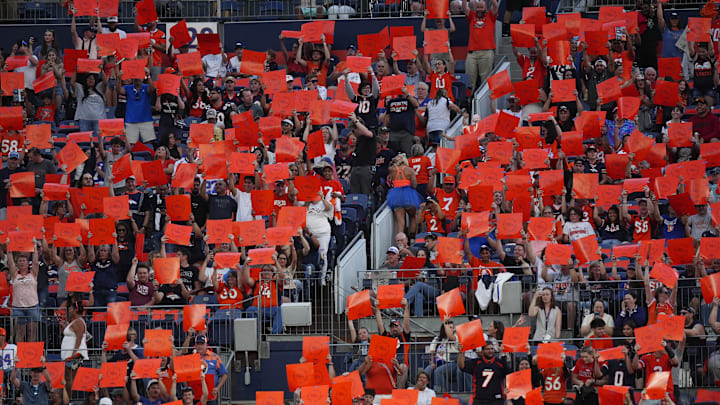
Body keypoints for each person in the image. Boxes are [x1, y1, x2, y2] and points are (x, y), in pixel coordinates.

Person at [462, 0, 499, 93]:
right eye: (477, 7)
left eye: (481, 7)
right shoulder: (472, 16)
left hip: (486, 52)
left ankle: (486, 104)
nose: (479, 10)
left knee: (485, 80)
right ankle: (468, 103)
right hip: (472, 53)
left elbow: (495, 5)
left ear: (485, 8)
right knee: (469, 80)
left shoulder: (490, 16)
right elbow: (464, 7)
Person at [425, 320, 470, 393]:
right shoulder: (437, 339)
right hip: (438, 362)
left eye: (452, 328)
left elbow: (450, 336)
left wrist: (445, 323)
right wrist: (432, 362)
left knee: (438, 371)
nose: (452, 329)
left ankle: (440, 392)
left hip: (452, 362)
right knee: (426, 371)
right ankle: (426, 392)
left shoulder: (456, 337)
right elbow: (432, 352)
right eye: (450, 328)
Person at [375, 298, 411, 389]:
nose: (394, 329)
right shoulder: (386, 335)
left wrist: (406, 307)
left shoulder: (404, 336)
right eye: (392, 327)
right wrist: (377, 309)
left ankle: (399, 392)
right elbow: (380, 325)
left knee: (403, 367)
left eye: (396, 326)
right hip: (388, 365)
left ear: (400, 327)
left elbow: (406, 323)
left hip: (401, 365)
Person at [8, 244, 40, 343]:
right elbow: (10, 264)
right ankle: (19, 354)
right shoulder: (15, 275)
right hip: (18, 307)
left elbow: (35, 263)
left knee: (32, 332)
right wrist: (9, 250)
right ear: (17, 264)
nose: (22, 262)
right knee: (20, 332)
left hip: (32, 306)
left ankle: (30, 354)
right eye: (20, 261)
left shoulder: (33, 274)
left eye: (24, 261)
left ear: (27, 264)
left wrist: (34, 249)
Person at [386, 154, 423, 239]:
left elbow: (389, 177)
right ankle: (412, 238)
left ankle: (400, 242)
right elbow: (414, 185)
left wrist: (393, 161)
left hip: (396, 196)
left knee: (400, 222)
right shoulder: (410, 170)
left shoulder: (392, 170)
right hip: (408, 195)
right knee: (412, 216)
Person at [60, 300, 88, 391]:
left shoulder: (79, 322)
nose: (69, 310)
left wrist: (74, 352)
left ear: (76, 310)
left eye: (71, 309)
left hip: (75, 355)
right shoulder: (74, 322)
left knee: (71, 378)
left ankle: (70, 398)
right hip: (69, 354)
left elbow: (79, 338)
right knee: (68, 378)